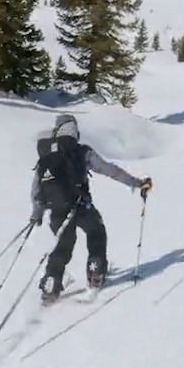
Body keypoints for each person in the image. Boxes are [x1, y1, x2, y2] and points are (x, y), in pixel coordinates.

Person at [31, 114, 152, 300]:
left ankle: (52, 281)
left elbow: (37, 188)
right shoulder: (80, 151)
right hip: (80, 204)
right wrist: (136, 183)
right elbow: (110, 170)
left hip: (56, 210)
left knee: (64, 244)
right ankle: (95, 270)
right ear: (74, 131)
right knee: (96, 231)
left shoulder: (46, 156)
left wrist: (36, 214)